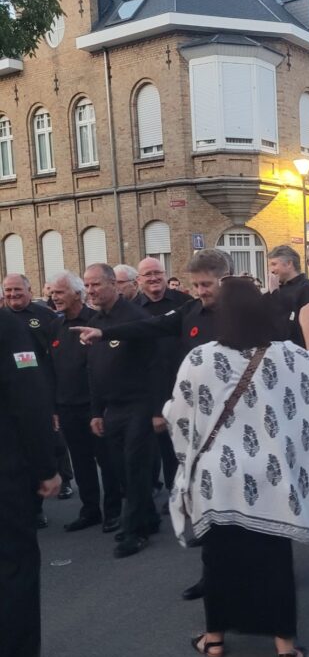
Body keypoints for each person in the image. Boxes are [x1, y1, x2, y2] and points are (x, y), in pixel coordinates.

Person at [164, 278, 309, 657]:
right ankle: (284, 649)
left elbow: (178, 414)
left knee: (218, 557)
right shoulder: (285, 356)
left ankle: (214, 639)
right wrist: (308, 323)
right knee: (273, 559)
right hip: (269, 475)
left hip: (216, 476)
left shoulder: (199, 358)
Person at [72, 250, 234, 594]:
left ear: (225, 280)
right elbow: (151, 327)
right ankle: (214, 569)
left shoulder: (242, 314)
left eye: (206, 285)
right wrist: (104, 334)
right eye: (195, 285)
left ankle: (251, 568)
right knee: (201, 486)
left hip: (233, 418)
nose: (200, 291)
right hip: (197, 415)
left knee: (231, 492)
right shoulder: (190, 311)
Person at [0, 308, 86, 657]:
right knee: (14, 574)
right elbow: (29, 400)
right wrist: (46, 467)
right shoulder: (7, 327)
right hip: (5, 472)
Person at [83, 263, 163, 558]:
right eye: (87, 285)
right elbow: (93, 370)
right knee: (120, 469)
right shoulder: (94, 321)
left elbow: (156, 366)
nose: (91, 291)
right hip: (112, 407)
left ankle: (135, 531)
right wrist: (96, 411)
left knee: (135, 467)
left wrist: (157, 410)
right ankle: (147, 517)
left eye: (96, 284)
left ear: (113, 285)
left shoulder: (136, 318)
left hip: (139, 405)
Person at [48, 272, 122, 533]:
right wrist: (54, 407)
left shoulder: (95, 322)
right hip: (67, 407)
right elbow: (52, 369)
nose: (54, 297)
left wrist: (100, 407)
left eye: (59, 292)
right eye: (52, 292)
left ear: (77, 294)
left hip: (95, 407)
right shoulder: (55, 326)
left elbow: (104, 367)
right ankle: (90, 510)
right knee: (81, 463)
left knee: (107, 461)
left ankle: (114, 511)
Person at [2, 272, 73, 512]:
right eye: (8, 290)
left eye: (17, 290)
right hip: (18, 392)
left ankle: (64, 477)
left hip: (45, 384)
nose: (13, 294)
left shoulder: (46, 316)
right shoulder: (5, 319)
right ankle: (36, 506)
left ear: (29, 291)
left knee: (54, 433)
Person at [135, 257, 192, 494]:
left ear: (165, 274)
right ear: (139, 280)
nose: (153, 278)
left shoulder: (185, 302)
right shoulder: (133, 308)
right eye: (147, 274)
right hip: (149, 387)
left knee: (181, 447)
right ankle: (159, 492)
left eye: (157, 272)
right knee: (153, 447)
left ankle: (180, 494)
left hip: (182, 385)